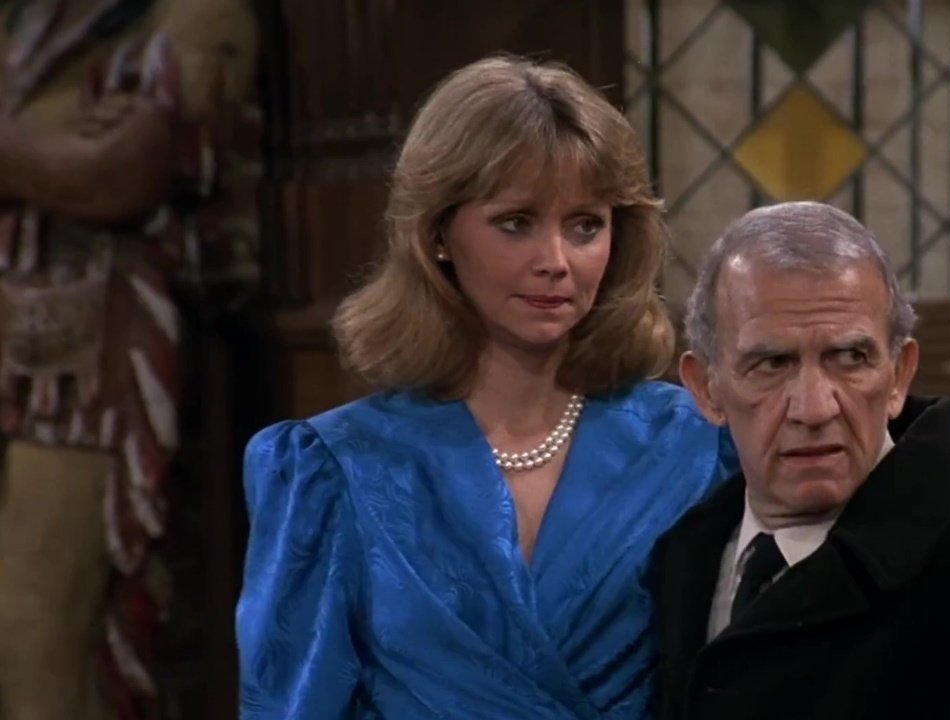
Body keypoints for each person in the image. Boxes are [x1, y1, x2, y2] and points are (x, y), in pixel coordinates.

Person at [236, 55, 737, 719]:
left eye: (585, 225)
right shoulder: (337, 470)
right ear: (439, 234)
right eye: (516, 222)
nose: (555, 262)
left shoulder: (694, 449)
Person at [651, 201, 950, 720]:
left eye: (851, 358)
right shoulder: (682, 559)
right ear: (705, 388)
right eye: (772, 363)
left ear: (898, 376)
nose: (815, 408)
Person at [0, 1, 257, 717]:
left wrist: (36, 155)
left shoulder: (196, 14)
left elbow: (115, 174)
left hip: (86, 374)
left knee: (36, 631)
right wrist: (42, 150)